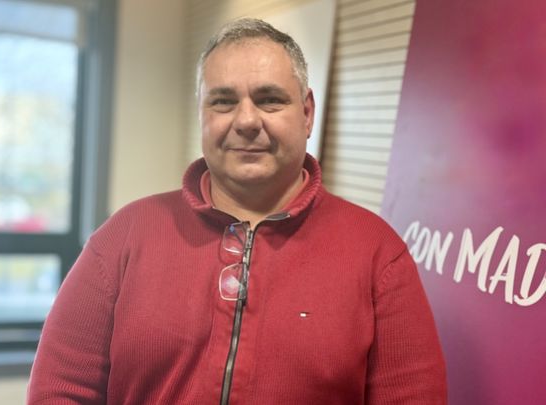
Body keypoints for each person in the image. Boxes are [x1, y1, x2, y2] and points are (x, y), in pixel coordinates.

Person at [28, 18, 447, 404]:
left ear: (306, 113)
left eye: (269, 100)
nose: (246, 121)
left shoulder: (377, 254)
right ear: (202, 114)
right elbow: (58, 392)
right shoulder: (124, 237)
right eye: (224, 102)